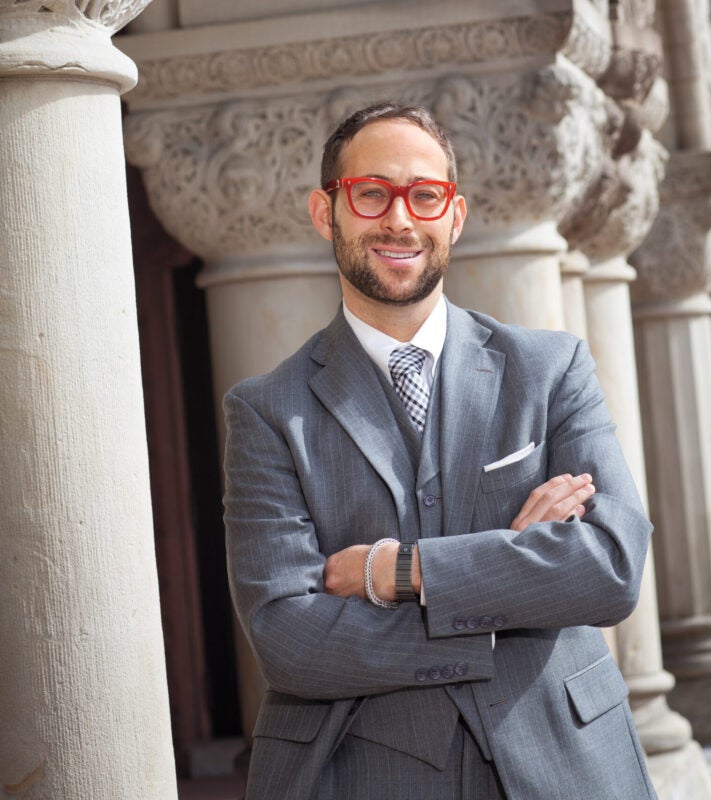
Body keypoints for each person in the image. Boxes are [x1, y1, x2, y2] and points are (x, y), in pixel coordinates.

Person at [223, 102, 657, 800]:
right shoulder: (268, 412)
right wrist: (503, 606)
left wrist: (400, 571)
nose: (401, 219)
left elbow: (609, 567)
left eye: (425, 195)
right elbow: (289, 639)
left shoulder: (550, 370)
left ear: (454, 215)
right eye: (372, 194)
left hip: (566, 758)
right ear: (324, 211)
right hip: (368, 772)